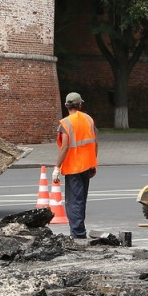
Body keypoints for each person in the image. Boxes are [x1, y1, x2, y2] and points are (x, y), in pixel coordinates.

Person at [53, 91, 98, 241]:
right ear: (80, 105)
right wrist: (93, 164)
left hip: (73, 167)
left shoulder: (65, 123)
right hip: (87, 166)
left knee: (74, 201)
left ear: (66, 105)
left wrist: (56, 168)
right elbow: (94, 143)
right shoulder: (89, 119)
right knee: (81, 200)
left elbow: (65, 147)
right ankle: (79, 230)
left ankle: (78, 233)